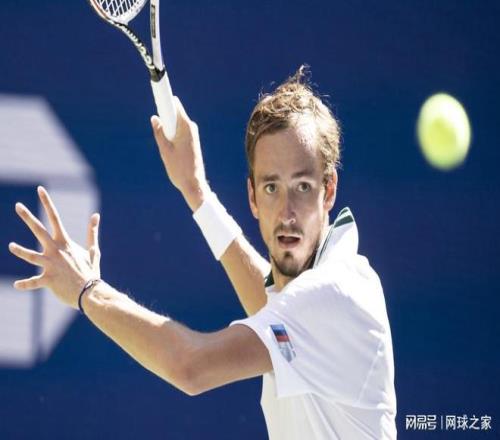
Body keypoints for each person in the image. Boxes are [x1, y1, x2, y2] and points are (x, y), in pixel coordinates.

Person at [9, 67, 397, 439]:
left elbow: (190, 366)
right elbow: (271, 305)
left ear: (329, 190)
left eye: (302, 187)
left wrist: (87, 291)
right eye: (271, 188)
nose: (286, 213)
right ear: (252, 197)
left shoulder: (335, 294)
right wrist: (196, 191)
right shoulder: (316, 295)